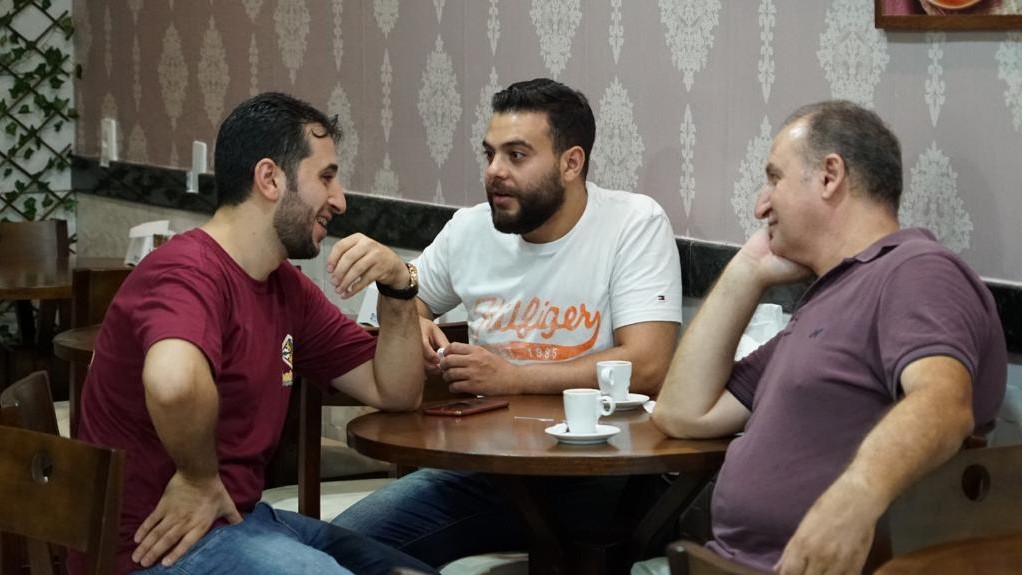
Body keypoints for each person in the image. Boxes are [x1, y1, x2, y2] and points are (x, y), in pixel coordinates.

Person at [74, 92, 437, 575]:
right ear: (270, 179)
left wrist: (398, 286)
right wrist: (199, 478)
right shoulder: (186, 271)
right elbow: (174, 383)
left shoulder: (285, 286)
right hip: (154, 550)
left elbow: (395, 391)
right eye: (326, 177)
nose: (340, 200)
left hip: (240, 521)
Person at [332, 78, 684, 566]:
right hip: (482, 468)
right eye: (490, 154)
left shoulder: (632, 224)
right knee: (339, 550)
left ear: (571, 163)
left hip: (601, 471)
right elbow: (395, 302)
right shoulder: (471, 229)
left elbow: (648, 364)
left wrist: (513, 377)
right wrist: (411, 321)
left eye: (516, 156)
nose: (495, 171)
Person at [652, 100, 1007, 574]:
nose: (761, 205)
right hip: (725, 562)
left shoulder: (916, 271)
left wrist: (855, 497)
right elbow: (682, 413)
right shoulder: (831, 296)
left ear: (829, 176)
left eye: (774, 178)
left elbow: (944, 404)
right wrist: (749, 270)